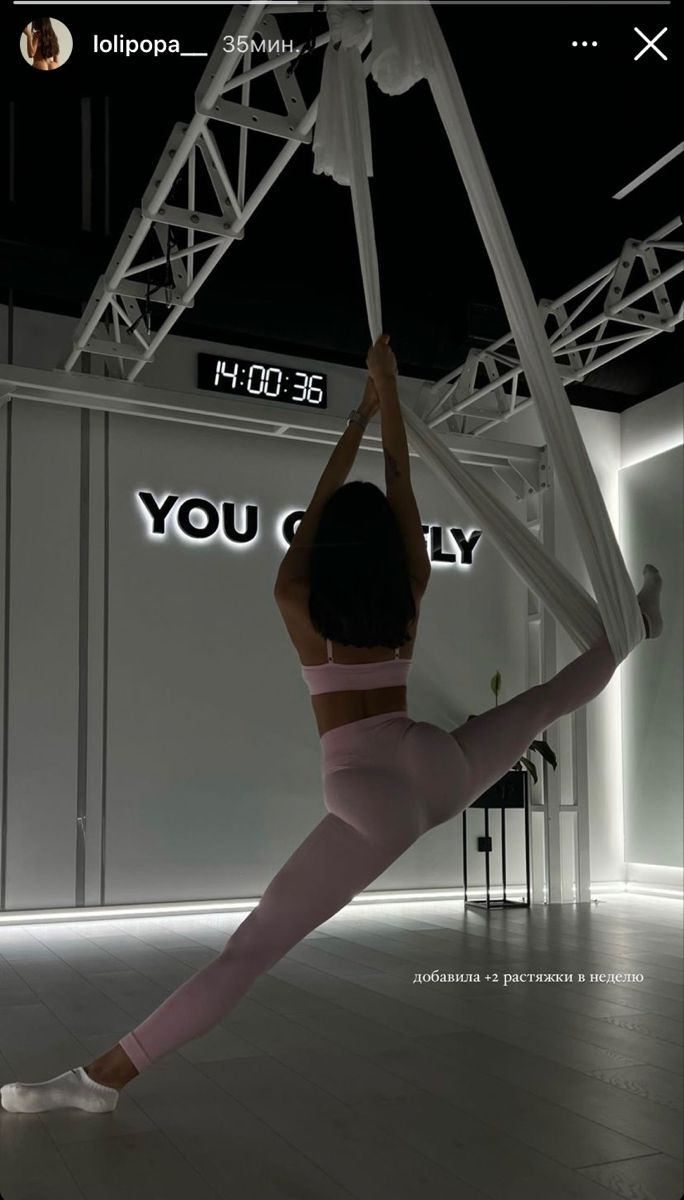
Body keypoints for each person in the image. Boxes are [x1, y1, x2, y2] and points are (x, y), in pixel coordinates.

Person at [0, 333, 663, 1114]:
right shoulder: (408, 589)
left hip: (371, 797)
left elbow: (319, 517)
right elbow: (398, 480)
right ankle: (635, 630)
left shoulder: (296, 598)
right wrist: (378, 403)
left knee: (249, 952)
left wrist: (355, 419)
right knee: (547, 698)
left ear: (321, 548)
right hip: (434, 760)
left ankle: (102, 1080)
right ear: (386, 550)